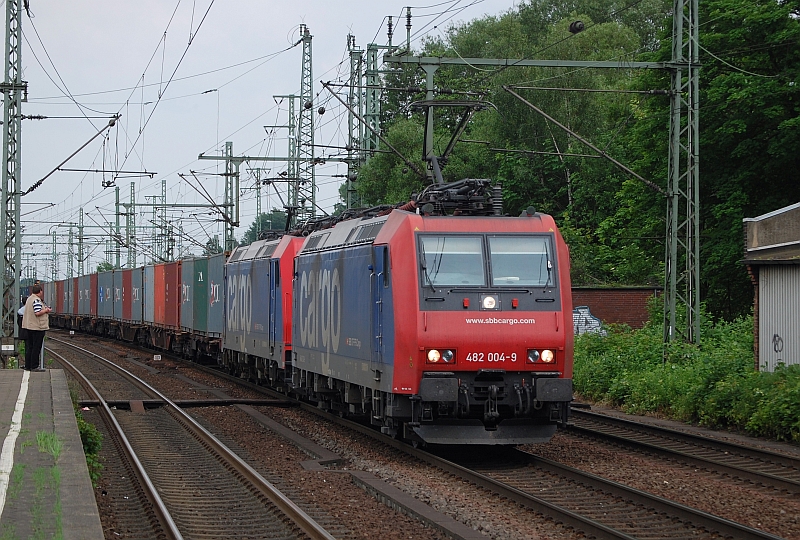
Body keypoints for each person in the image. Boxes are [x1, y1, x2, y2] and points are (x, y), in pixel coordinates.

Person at [21, 284, 51, 371]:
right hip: (37, 327)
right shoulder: (36, 300)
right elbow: (37, 312)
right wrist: (46, 310)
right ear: (40, 291)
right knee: (36, 347)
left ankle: (28, 365)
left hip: (29, 326)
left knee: (30, 346)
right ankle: (34, 366)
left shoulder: (29, 299)